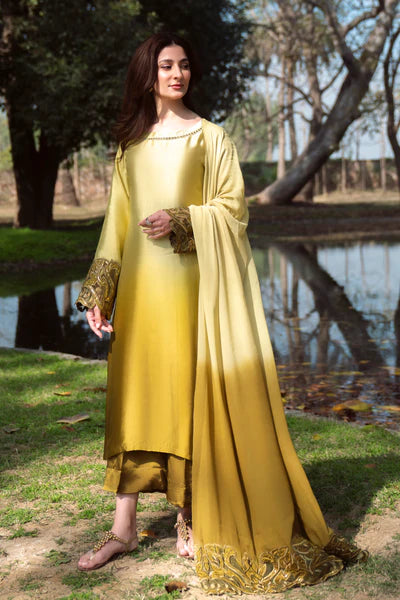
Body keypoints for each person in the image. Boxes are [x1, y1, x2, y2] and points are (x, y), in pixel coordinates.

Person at [75, 32, 367, 594]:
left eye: (184, 65)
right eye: (166, 65)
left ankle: (189, 517)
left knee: (188, 399)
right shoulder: (129, 146)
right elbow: (116, 224)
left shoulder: (211, 138)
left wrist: (183, 219)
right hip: (140, 295)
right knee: (133, 399)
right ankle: (123, 529)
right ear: (147, 74)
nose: (177, 74)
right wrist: (101, 293)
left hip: (192, 294)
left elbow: (232, 212)